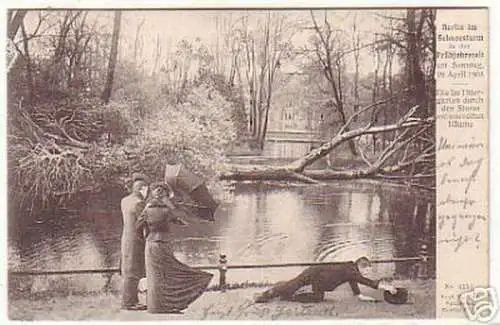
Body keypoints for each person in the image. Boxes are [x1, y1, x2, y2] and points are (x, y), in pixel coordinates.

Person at [136, 183, 213, 314]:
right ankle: (167, 304)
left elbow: (138, 226)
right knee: (168, 273)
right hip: (164, 243)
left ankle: (155, 307)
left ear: (153, 194)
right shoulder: (167, 210)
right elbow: (182, 222)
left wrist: (146, 235)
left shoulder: (147, 209)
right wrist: (178, 211)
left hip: (151, 244)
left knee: (154, 275)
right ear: (164, 195)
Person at [254, 257, 398, 303]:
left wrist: (360, 296)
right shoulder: (353, 271)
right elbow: (369, 283)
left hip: (319, 277)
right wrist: (388, 288)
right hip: (315, 274)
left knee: (315, 296)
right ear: (362, 266)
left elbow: (353, 281)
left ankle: (287, 294)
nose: (367, 273)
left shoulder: (351, 269)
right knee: (295, 287)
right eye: (367, 270)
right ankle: (268, 294)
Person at [120, 173, 150, 311]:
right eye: (146, 190)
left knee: (128, 269)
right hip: (135, 240)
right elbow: (143, 222)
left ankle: (131, 301)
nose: (147, 192)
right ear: (141, 189)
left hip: (126, 237)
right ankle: (129, 303)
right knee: (133, 271)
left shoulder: (124, 200)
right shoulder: (139, 203)